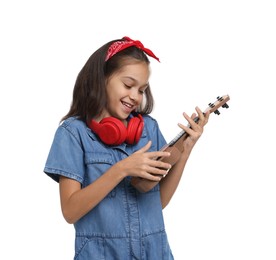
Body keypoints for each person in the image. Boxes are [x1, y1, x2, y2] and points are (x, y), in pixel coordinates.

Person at [44, 36, 209, 260]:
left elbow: (156, 204)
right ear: (102, 78)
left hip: (155, 252)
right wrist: (121, 169)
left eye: (141, 90)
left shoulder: (148, 129)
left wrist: (186, 151)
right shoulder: (73, 133)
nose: (135, 96)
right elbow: (70, 211)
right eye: (128, 85)